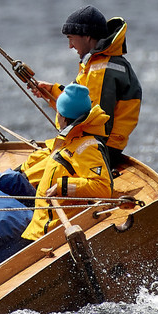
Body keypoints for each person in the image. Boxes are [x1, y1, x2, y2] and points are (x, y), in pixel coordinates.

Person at [17, 4, 141, 178]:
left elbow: (97, 122)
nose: (69, 45)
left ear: (88, 37)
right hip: (93, 141)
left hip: (100, 148)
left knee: (37, 172)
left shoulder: (102, 69)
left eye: (71, 38)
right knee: (35, 163)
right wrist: (51, 91)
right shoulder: (97, 62)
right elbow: (82, 105)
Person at [22, 82, 113, 240]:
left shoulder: (86, 147)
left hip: (47, 233)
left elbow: (103, 187)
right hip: (38, 227)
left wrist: (63, 187)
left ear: (63, 118)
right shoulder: (71, 135)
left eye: (58, 112)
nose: (56, 116)